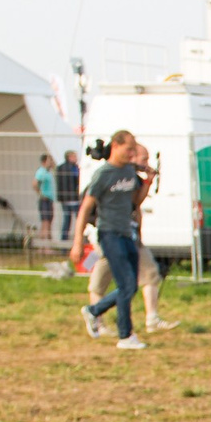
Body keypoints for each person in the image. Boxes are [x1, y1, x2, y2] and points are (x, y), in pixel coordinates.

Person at [72, 132, 150, 349]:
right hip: (109, 234)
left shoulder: (128, 171)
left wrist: (148, 182)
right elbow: (85, 207)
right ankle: (125, 336)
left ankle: (93, 311)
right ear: (116, 146)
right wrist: (78, 241)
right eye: (129, 150)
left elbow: (135, 202)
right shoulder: (103, 174)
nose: (132, 154)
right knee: (126, 285)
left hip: (127, 233)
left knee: (130, 286)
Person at [54, 151, 81, 241]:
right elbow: (76, 182)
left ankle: (64, 240)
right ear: (69, 157)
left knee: (67, 220)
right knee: (79, 219)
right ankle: (79, 239)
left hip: (64, 199)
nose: (76, 158)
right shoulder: (74, 168)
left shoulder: (60, 168)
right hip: (74, 198)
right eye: (74, 156)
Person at [34, 153, 57, 247]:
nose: (51, 162)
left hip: (49, 199)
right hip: (44, 200)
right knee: (45, 222)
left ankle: (45, 245)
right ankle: (45, 246)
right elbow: (35, 184)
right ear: (44, 162)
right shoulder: (41, 172)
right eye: (49, 160)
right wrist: (41, 194)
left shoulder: (48, 172)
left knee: (48, 221)